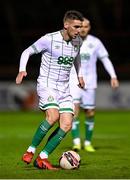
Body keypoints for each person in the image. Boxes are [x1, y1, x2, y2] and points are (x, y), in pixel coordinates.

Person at [16, 10, 85, 170]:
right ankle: (31, 150)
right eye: (76, 27)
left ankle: (43, 157)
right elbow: (27, 51)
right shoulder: (49, 39)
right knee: (53, 116)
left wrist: (80, 75)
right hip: (48, 85)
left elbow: (77, 57)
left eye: (80, 27)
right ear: (66, 25)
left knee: (67, 124)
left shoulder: (77, 41)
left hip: (64, 88)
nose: (79, 30)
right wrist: (22, 69)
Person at [69, 18, 119, 152]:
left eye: (86, 26)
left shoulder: (95, 42)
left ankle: (88, 142)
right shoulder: (70, 40)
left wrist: (113, 76)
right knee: (74, 111)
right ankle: (76, 142)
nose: (83, 29)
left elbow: (105, 59)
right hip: (73, 81)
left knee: (90, 113)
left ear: (89, 27)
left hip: (90, 83)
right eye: (81, 26)